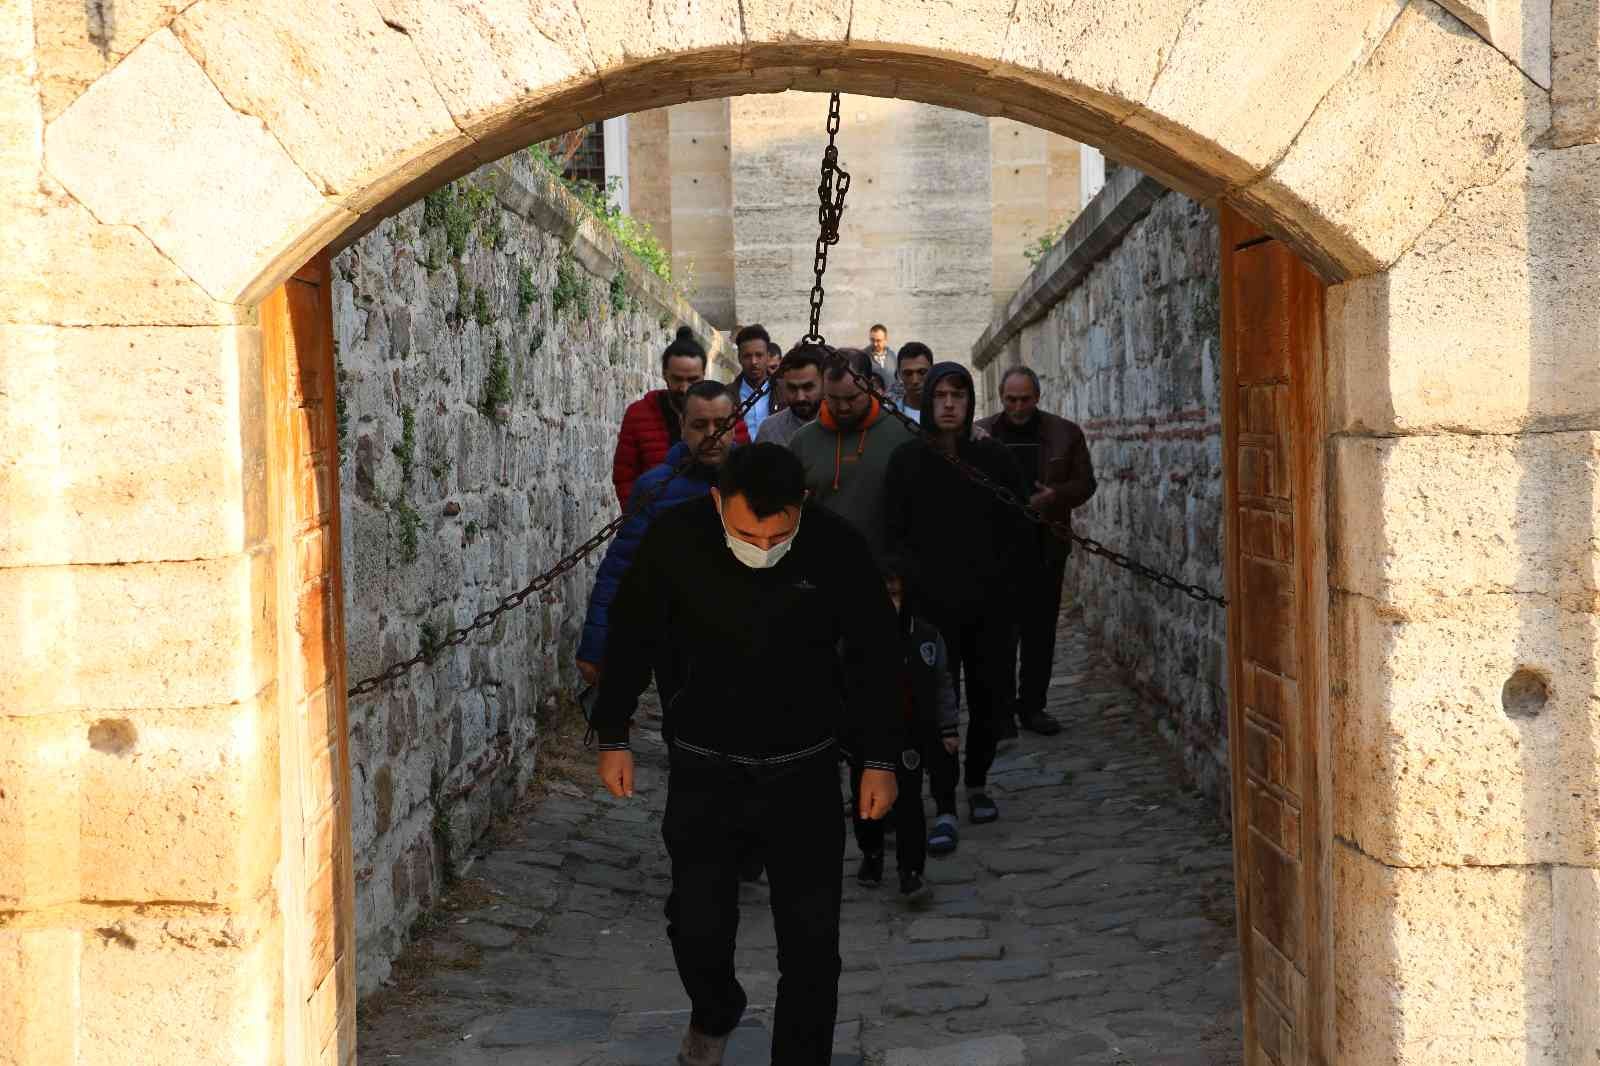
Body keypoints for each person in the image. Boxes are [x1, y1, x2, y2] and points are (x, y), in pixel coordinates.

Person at [592, 443, 901, 1066]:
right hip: (706, 768)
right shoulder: (676, 540)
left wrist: (881, 758)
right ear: (715, 503)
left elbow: (876, 655)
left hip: (806, 770)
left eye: (777, 534)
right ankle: (715, 1005)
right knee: (697, 926)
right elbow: (631, 634)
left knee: (812, 947)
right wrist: (614, 734)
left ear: (802, 509)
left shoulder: (836, 546)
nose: (761, 548)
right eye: (744, 533)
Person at [885, 362, 1035, 852]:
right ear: (928, 402)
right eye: (940, 395)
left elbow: (1019, 530)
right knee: (935, 707)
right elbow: (897, 532)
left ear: (971, 402)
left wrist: (1007, 588)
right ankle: (945, 799)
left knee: (990, 698)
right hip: (932, 605)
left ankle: (977, 781)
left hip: (989, 606)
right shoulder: (907, 461)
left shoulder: (995, 461)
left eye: (958, 395)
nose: (949, 403)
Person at [577, 381, 738, 685]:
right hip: (677, 639)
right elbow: (620, 566)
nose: (711, 434)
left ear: (735, 424)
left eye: (721, 424)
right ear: (682, 426)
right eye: (700, 425)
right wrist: (596, 645)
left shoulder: (757, 482)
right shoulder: (655, 488)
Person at [977, 365, 1097, 737]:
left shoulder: (1065, 433)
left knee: (1039, 633)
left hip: (1045, 547)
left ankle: (1033, 706)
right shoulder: (981, 434)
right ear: (1001, 397)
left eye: (1024, 399)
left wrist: (1055, 497)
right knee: (998, 635)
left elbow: (1085, 483)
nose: (1016, 407)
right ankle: (1000, 710)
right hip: (996, 551)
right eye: (1010, 400)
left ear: (1037, 397)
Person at [846, 561, 959, 901]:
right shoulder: (853, 640)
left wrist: (947, 728)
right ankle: (872, 853)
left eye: (894, 595)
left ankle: (911, 870)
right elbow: (837, 689)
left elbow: (942, 685)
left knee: (909, 803)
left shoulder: (925, 638)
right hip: (865, 738)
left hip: (910, 735)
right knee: (866, 804)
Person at [787, 348, 915, 564]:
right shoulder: (802, 442)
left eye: (852, 398)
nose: (843, 407)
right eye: (833, 398)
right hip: (823, 569)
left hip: (887, 571)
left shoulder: (902, 434)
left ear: (871, 386)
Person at [612, 326, 749, 506]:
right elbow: (625, 474)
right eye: (677, 379)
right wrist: (641, 514)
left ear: (703, 374)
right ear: (664, 374)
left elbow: (745, 466)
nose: (684, 388)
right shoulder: (639, 414)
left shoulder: (730, 415)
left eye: (692, 379)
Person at [754, 344, 825, 448]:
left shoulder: (842, 425)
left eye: (808, 387)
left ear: (824, 384)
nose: (800, 397)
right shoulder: (770, 431)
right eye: (792, 388)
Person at [729, 324, 781, 439]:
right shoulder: (727, 395)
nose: (753, 362)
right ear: (739, 358)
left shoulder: (784, 391)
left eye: (759, 355)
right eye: (747, 356)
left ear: (768, 356)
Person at [894, 341, 933, 421]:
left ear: (932, 371)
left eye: (922, 372)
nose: (915, 380)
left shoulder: (946, 412)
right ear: (899, 374)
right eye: (908, 373)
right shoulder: (892, 415)